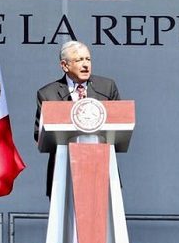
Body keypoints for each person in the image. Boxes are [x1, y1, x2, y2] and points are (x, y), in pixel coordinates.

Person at [34, 40, 120, 197]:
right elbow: (38, 135)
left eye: (88, 59)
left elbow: (120, 123)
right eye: (79, 60)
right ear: (64, 65)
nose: (86, 64)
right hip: (63, 171)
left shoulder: (106, 87)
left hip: (101, 168)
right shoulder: (48, 94)